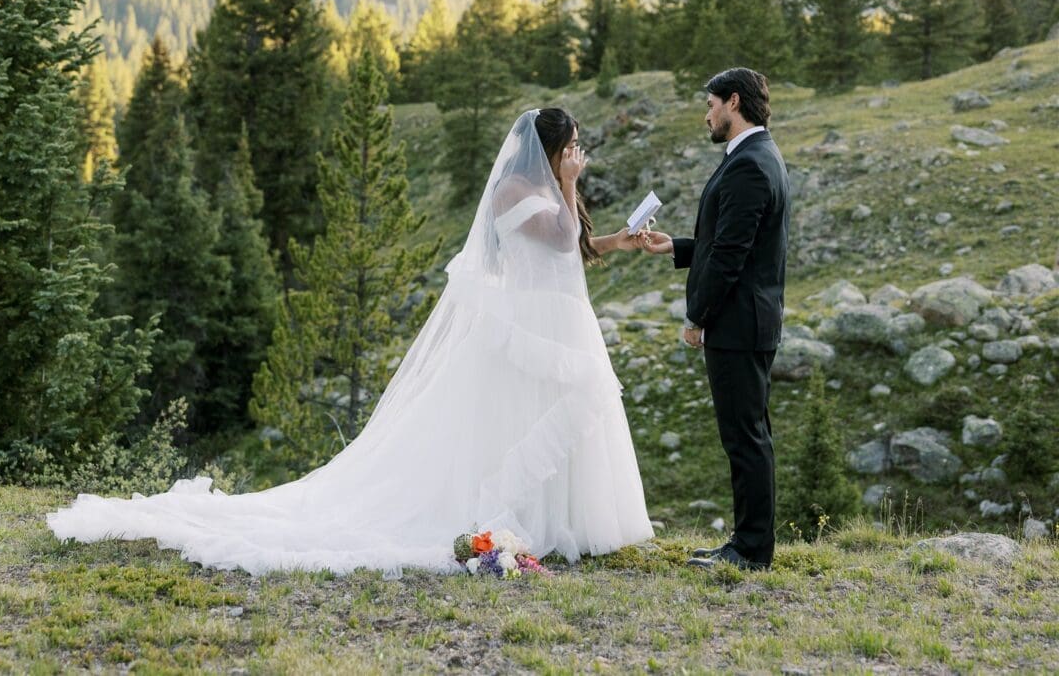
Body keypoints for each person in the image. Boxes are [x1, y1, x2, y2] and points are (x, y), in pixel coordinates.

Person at [49, 108, 653, 575]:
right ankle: (520, 521)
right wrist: (571, 184)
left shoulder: (544, 191)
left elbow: (569, 249)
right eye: (570, 146)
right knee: (518, 420)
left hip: (557, 319)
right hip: (531, 326)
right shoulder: (517, 193)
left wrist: (619, 240)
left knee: (549, 418)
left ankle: (565, 522)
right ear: (548, 149)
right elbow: (558, 236)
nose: (577, 154)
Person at [641, 67, 789, 571]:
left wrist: (696, 316)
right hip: (749, 321)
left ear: (733, 102)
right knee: (749, 435)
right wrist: (678, 247)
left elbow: (731, 255)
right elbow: (727, 240)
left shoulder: (748, 163)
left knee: (745, 438)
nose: (707, 114)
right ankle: (748, 543)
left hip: (737, 324)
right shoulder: (757, 155)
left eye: (710, 105)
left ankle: (750, 551)